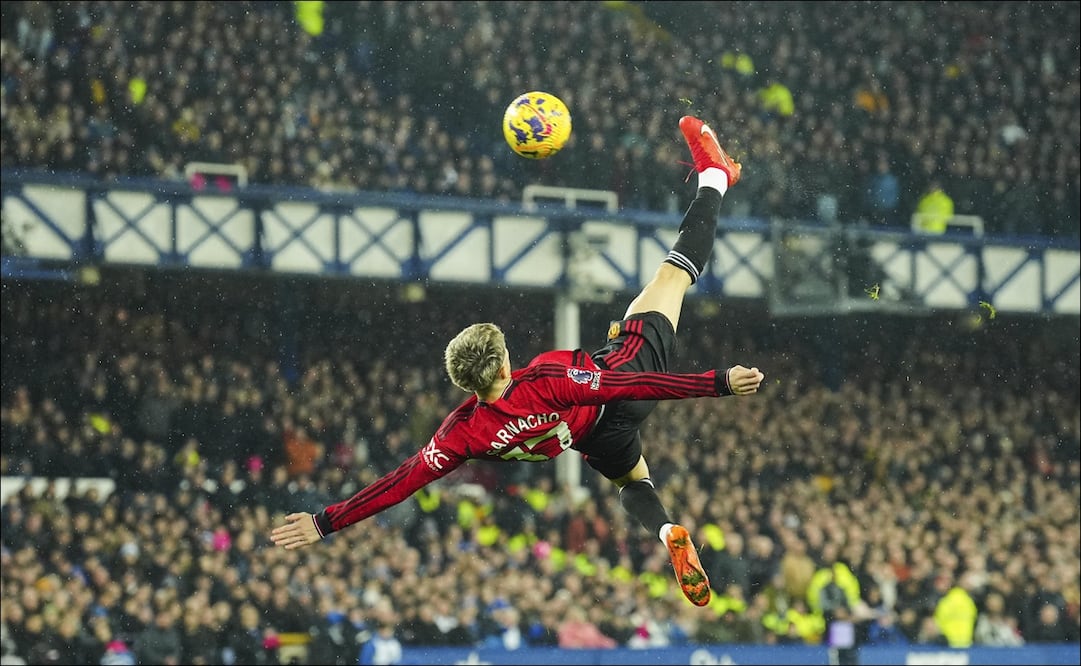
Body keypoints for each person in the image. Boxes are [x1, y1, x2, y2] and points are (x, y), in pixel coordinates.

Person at [270, 115, 765, 608]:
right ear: (505, 365)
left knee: (632, 480)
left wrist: (324, 522)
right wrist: (718, 382)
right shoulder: (546, 378)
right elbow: (623, 387)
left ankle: (665, 530)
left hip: (593, 439)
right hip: (620, 384)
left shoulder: (461, 433)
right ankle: (714, 177)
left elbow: (398, 484)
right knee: (671, 278)